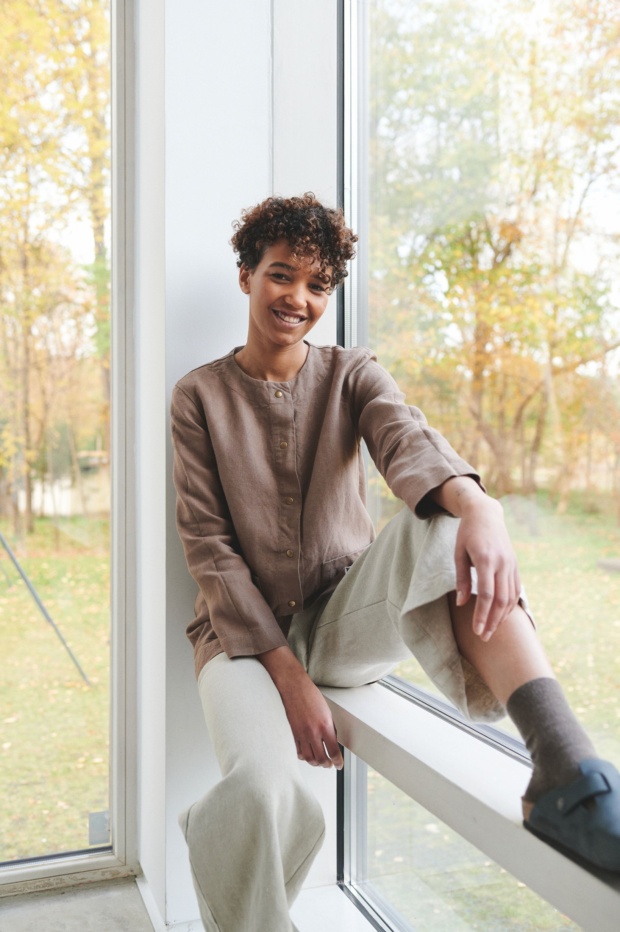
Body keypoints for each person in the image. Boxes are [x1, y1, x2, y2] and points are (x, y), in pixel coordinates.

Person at [171, 193, 620, 932]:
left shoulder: (353, 374)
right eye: (282, 275)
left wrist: (481, 506)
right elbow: (211, 552)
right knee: (257, 792)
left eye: (318, 285)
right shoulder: (198, 397)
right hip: (240, 643)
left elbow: (406, 438)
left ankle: (565, 769)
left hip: (344, 615)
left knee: (445, 523)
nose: (298, 298)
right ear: (246, 275)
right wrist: (289, 677)